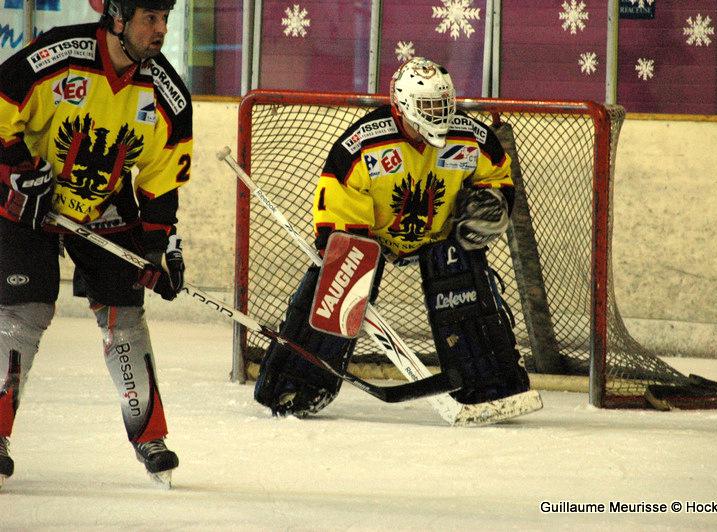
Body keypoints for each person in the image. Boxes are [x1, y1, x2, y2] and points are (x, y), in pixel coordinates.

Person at [254, 57, 530, 417]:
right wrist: (350, 257)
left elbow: (498, 176)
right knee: (337, 287)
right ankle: (293, 385)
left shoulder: (471, 137)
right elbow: (337, 204)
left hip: (442, 236)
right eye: (428, 106)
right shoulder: (362, 145)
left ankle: (492, 387)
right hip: (373, 236)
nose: (439, 114)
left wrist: (491, 202)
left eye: (443, 104)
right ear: (402, 105)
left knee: (466, 288)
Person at [0, 0, 192, 487]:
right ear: (118, 18)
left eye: (165, 19)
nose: (161, 30)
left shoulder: (167, 95)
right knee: (24, 311)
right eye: (150, 18)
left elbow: (160, 183)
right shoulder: (58, 57)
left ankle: (150, 437)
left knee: (124, 314)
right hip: (32, 201)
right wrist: (18, 171)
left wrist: (157, 247)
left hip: (102, 202)